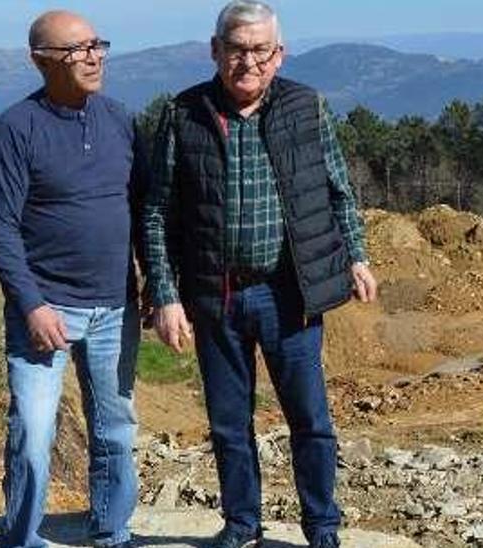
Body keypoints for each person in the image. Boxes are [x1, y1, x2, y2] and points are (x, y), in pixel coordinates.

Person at [143, 2, 378, 547]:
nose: (247, 61)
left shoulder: (306, 107)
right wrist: (164, 293)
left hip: (288, 293)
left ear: (279, 55)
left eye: (259, 50)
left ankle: (321, 527)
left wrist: (358, 256)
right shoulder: (184, 114)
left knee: (310, 422)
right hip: (215, 295)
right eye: (236, 49)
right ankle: (242, 524)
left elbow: (339, 192)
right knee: (229, 424)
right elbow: (157, 210)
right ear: (215, 50)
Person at [0, 10, 142, 548]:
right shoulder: (15, 130)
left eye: (98, 44)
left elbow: (142, 211)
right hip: (44, 310)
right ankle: (22, 539)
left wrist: (157, 289)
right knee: (33, 435)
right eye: (77, 49)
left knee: (116, 430)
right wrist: (30, 303)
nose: (93, 56)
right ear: (40, 60)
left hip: (115, 306)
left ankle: (111, 531)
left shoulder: (119, 118)